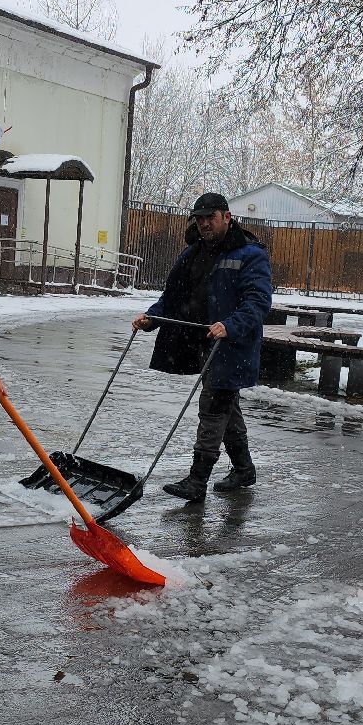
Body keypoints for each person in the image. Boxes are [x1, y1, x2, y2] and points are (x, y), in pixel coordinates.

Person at [133, 191, 274, 503]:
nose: (205, 224)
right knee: (226, 409)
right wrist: (152, 318)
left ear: (227, 217)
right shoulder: (193, 253)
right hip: (199, 342)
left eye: (210, 217)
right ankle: (244, 468)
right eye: (199, 219)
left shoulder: (249, 254)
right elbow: (173, 298)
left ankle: (197, 480)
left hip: (231, 348)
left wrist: (231, 325)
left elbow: (258, 302)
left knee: (212, 408)